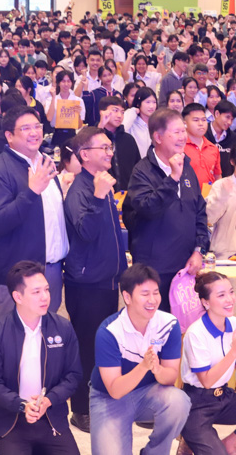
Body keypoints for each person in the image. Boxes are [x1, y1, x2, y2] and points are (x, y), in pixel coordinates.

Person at [62, 127, 127, 433]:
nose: (109, 152)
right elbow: (85, 232)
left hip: (107, 280)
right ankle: (80, 409)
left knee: (103, 346)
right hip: (87, 284)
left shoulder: (102, 183)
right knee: (86, 347)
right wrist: (99, 196)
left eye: (110, 147)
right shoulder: (81, 189)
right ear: (84, 154)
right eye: (103, 147)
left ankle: (99, 402)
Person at [0, 261, 82, 454]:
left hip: (51, 417)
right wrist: (22, 405)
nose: (45, 297)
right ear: (17, 297)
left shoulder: (62, 328)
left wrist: (49, 400)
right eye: (36, 292)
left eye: (46, 289)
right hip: (11, 421)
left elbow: (73, 375)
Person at [89, 263, 191, 455]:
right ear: (127, 297)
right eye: (145, 294)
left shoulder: (169, 324)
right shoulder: (110, 331)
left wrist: (158, 370)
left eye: (156, 293)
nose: (152, 300)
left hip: (148, 392)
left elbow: (170, 378)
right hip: (109, 398)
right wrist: (144, 366)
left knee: (179, 402)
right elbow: (115, 390)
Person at [0, 105, 69, 319]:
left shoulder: (45, 163)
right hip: (18, 279)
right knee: (15, 338)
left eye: (37, 126)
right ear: (9, 136)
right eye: (26, 128)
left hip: (51, 272)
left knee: (45, 335)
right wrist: (31, 192)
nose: (34, 132)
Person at [123, 108, 210, 311]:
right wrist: (172, 179)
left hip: (186, 267)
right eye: (176, 132)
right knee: (155, 324)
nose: (183, 137)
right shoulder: (142, 171)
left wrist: (199, 250)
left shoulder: (187, 167)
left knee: (184, 324)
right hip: (154, 271)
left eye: (183, 131)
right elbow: (147, 209)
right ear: (158, 137)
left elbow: (199, 212)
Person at [180, 271, 236, 455]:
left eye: (231, 292)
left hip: (224, 396)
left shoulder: (233, 324)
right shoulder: (196, 333)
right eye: (221, 295)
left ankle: (230, 443)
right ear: (205, 302)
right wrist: (233, 352)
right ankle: (189, 440)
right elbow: (206, 381)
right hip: (197, 403)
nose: (230, 299)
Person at [97, 96, 140, 192]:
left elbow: (137, 168)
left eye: (122, 112)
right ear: (102, 112)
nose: (119, 115)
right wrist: (101, 126)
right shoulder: (93, 137)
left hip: (127, 194)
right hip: (101, 192)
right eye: (115, 110)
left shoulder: (129, 140)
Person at [205, 144, 236, 259]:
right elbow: (208, 218)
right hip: (225, 256)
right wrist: (223, 196)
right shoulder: (220, 185)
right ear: (232, 161)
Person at [183, 102, 221, 188]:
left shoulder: (213, 148)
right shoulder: (179, 147)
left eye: (204, 120)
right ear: (185, 123)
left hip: (209, 194)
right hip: (186, 194)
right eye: (196, 120)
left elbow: (217, 176)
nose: (201, 123)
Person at [205, 100, 236, 178]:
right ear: (217, 114)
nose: (229, 122)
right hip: (204, 181)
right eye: (227, 117)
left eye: (232, 119)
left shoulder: (233, 138)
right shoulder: (203, 133)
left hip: (226, 182)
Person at [126, 87, 158, 158]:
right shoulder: (132, 124)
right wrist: (133, 111)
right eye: (148, 102)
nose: (151, 106)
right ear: (138, 103)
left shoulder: (158, 123)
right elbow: (122, 129)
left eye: (154, 102)